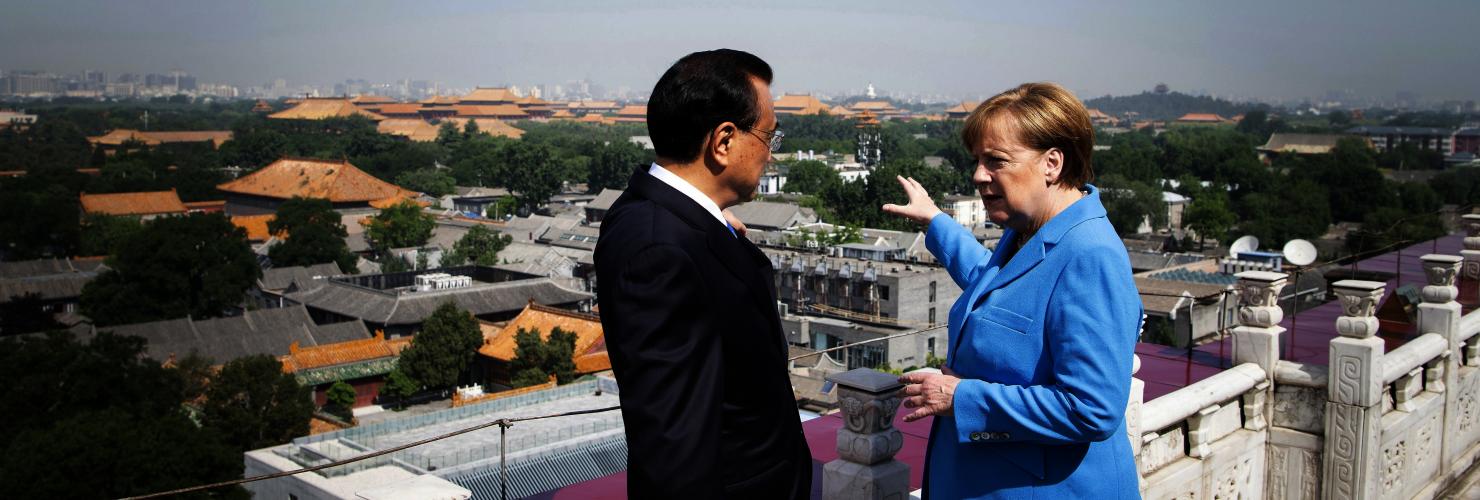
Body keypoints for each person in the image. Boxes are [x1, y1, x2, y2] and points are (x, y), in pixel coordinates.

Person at [882, 82, 1141, 499]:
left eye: (996, 161)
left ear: (1052, 163)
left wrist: (960, 397)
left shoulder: (1090, 254)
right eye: (978, 160)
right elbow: (997, 289)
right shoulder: (1029, 230)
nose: (978, 175)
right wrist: (936, 221)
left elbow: (1092, 409)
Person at [594, 49, 811, 499]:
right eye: (769, 137)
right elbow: (676, 442)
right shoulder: (660, 247)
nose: (771, 155)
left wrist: (712, 228)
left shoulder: (670, 219)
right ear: (724, 141)